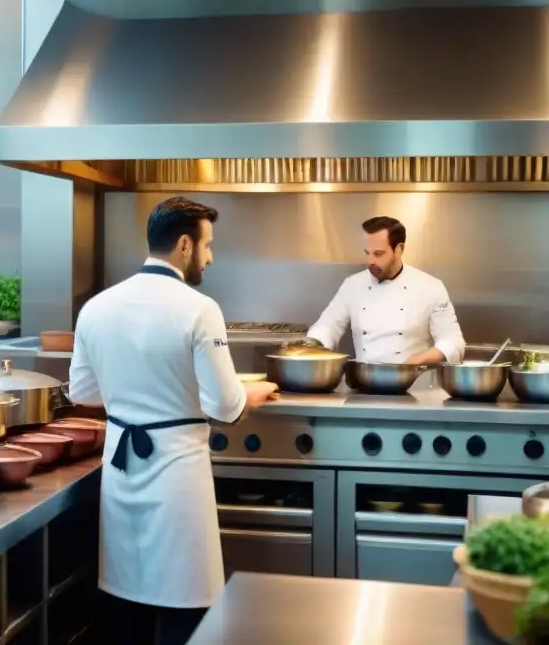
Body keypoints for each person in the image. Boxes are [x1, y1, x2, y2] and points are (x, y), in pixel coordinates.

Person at [69, 196, 277, 645]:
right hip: (176, 479)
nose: (210, 257)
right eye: (207, 245)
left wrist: (136, 387)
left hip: (121, 473)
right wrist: (248, 393)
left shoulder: (96, 307)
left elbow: (83, 393)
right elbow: (225, 406)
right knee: (186, 607)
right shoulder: (199, 308)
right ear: (185, 244)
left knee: (127, 604)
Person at [301, 216, 465, 365]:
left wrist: (413, 363)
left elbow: (453, 341)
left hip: (414, 385)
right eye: (367, 253)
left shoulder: (431, 287)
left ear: (398, 249)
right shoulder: (353, 285)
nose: (371, 261)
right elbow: (328, 326)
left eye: (378, 254)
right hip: (364, 384)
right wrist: (310, 346)